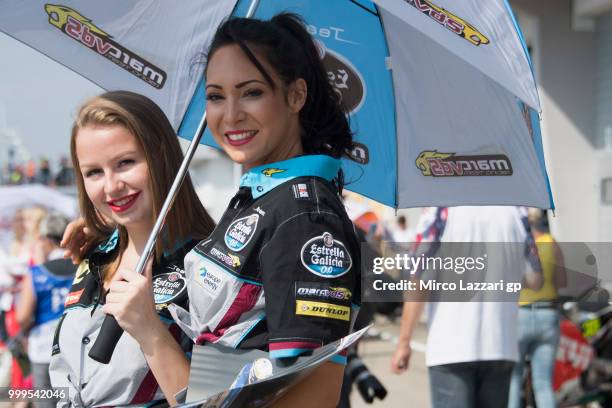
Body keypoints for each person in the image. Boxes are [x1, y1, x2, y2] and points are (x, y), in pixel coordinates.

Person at [167, 13, 361, 407]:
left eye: (251, 92)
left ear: (295, 96)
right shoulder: (264, 196)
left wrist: (151, 337)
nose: (231, 114)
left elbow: (317, 394)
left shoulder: (305, 215)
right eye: (216, 96)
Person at [50, 91, 215, 406]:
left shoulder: (210, 266)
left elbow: (219, 402)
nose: (111, 186)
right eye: (94, 172)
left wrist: (150, 331)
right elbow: (63, 388)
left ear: (161, 157)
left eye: (125, 163)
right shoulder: (95, 254)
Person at [390, 206, 543, 408]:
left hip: (451, 348)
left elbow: (419, 280)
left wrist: (404, 341)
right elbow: (536, 280)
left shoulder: (439, 210)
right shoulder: (517, 210)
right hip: (501, 345)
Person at [16, 213, 76, 408]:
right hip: (76, 350)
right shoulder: (84, 268)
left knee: (45, 403)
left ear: (45, 239)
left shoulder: (37, 273)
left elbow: (22, 316)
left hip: (43, 349)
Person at [508, 210, 566, 408]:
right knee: (543, 383)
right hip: (548, 315)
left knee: (514, 380)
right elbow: (562, 281)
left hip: (520, 315)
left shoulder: (517, 246)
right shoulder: (551, 243)